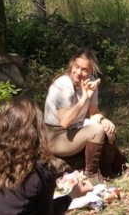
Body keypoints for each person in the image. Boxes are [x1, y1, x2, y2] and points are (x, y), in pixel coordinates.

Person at [43, 50, 121, 181]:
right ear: (72, 65)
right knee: (96, 131)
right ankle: (91, 175)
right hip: (55, 135)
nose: (79, 73)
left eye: (84, 70)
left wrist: (103, 119)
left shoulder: (91, 81)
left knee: (108, 130)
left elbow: (93, 112)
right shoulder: (63, 85)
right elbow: (64, 122)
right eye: (76, 67)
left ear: (91, 71)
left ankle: (106, 170)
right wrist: (85, 98)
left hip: (75, 129)